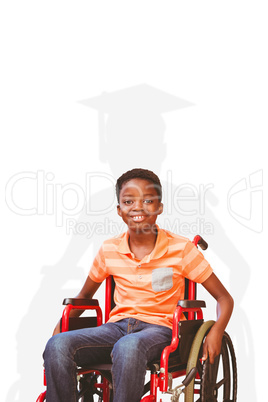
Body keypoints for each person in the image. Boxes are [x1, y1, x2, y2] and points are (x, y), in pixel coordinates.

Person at [43, 168, 234, 402]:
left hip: (161, 330)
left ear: (160, 207)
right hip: (115, 328)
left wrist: (216, 331)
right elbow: (84, 295)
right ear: (119, 210)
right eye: (129, 201)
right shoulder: (109, 250)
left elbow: (224, 298)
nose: (138, 207)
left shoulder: (181, 249)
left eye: (148, 200)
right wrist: (59, 328)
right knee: (58, 345)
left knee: (129, 346)